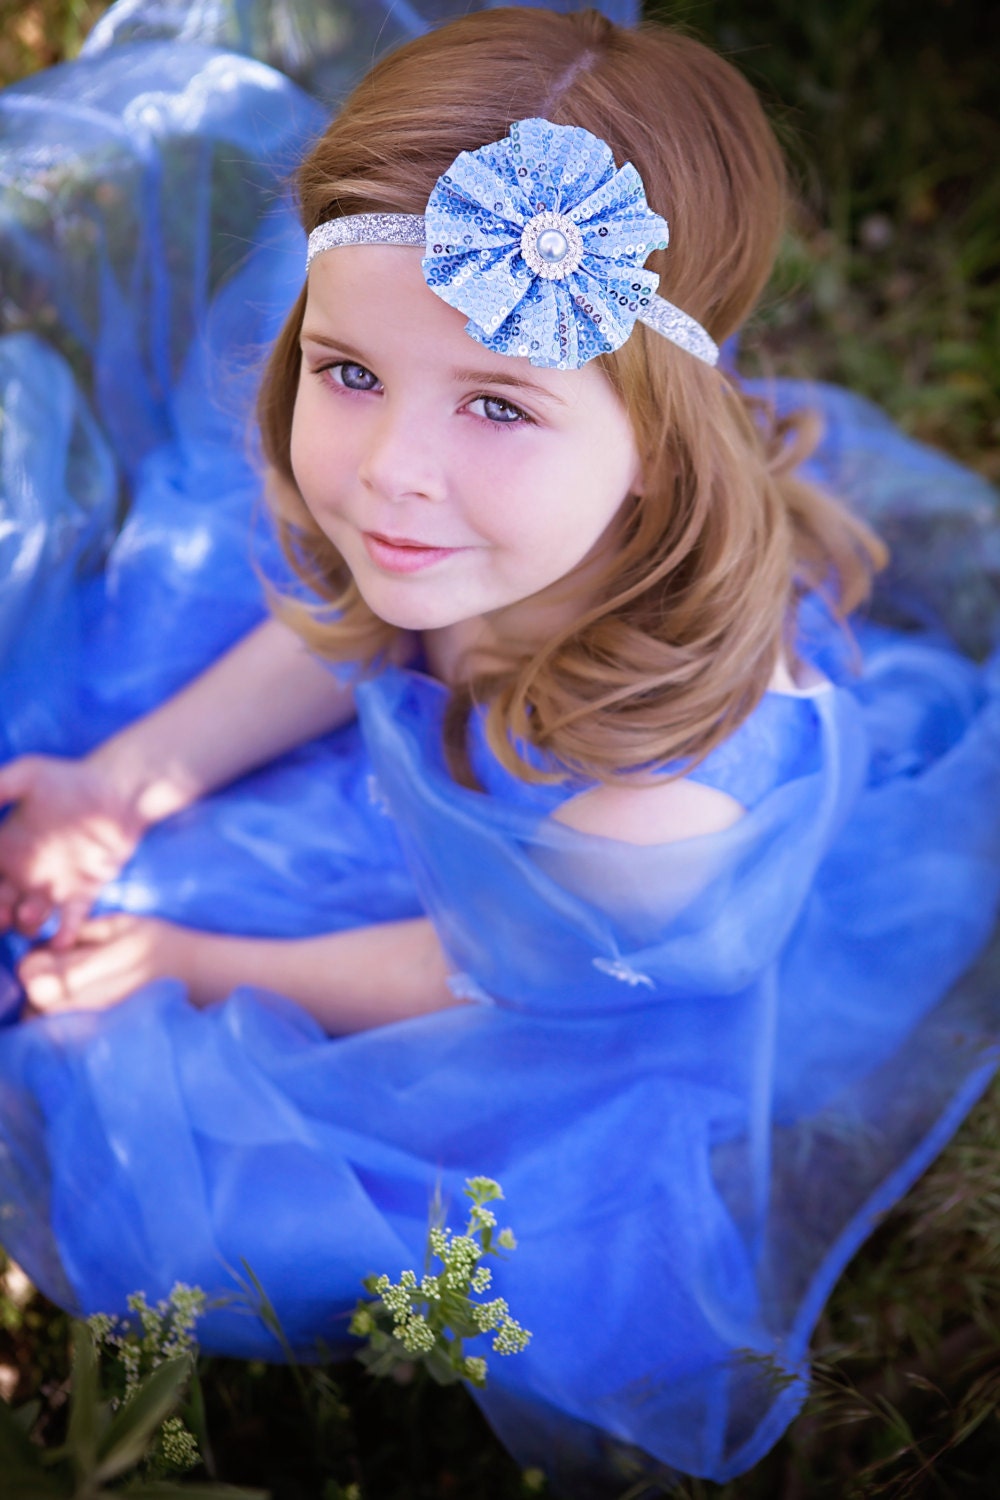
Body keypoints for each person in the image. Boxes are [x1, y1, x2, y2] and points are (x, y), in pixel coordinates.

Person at [0, 6, 998, 1488]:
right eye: (349, 373)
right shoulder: (442, 536)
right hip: (479, 824)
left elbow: (489, 971)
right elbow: (346, 631)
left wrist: (203, 967)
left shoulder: (671, 795)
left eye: (497, 401)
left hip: (573, 975)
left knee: (199, 1152)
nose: (392, 473)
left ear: (654, 438)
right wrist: (125, 776)